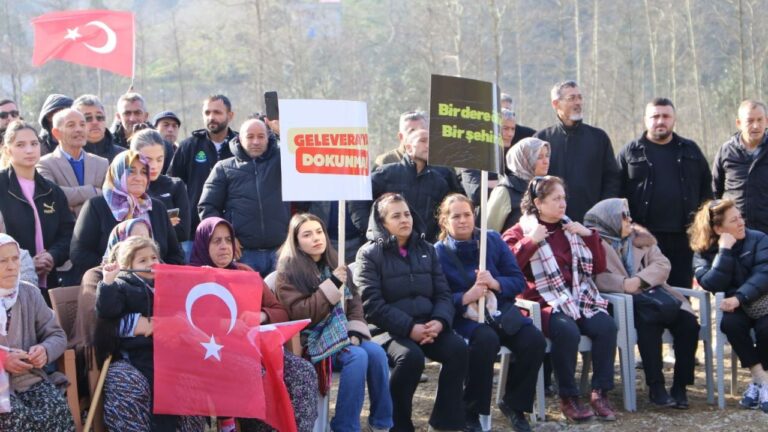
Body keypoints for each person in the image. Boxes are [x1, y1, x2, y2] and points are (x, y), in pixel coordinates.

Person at [502, 175, 617, 422]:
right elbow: (507, 266)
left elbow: (599, 265)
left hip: (576, 297)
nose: (562, 204)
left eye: (564, 198)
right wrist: (531, 241)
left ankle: (600, 392)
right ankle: (569, 397)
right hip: (541, 302)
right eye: (556, 199)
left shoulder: (570, 228)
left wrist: (588, 235)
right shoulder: (520, 230)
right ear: (538, 203)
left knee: (606, 325)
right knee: (567, 331)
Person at [190, 217, 319, 432]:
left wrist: (261, 316)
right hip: (216, 356)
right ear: (204, 244)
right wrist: (224, 322)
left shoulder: (244, 273)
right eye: (216, 241)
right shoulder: (192, 278)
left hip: (257, 349)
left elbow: (280, 312)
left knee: (303, 372)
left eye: (228, 240)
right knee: (258, 377)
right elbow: (191, 322)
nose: (224, 247)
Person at [355, 193, 468, 432]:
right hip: (386, 329)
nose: (404, 220)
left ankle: (444, 423)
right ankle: (398, 423)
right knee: (411, 357)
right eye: (396, 216)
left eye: (407, 214)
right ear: (382, 222)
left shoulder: (426, 249)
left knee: (458, 349)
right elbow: (371, 305)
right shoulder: (369, 254)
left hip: (427, 325)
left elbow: (443, 294)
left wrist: (439, 321)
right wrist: (409, 328)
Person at [434, 194, 545, 432]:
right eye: (456, 216)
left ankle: (515, 404)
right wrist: (465, 297)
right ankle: (471, 410)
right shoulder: (438, 253)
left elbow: (518, 281)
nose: (463, 220)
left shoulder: (492, 240)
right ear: (444, 221)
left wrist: (495, 283)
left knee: (534, 340)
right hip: (464, 317)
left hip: (500, 312)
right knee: (485, 340)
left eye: (467, 214)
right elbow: (436, 297)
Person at [276, 213, 392, 432]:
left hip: (344, 334)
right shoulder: (288, 273)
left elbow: (355, 302)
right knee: (357, 357)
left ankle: (381, 423)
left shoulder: (336, 264)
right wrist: (332, 284)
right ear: (296, 241)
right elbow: (302, 313)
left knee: (376, 353)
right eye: (307, 235)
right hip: (312, 340)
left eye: (319, 232)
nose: (316, 238)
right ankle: (344, 427)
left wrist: (355, 332)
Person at [585, 198, 699, 409]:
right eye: (623, 216)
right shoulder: (595, 243)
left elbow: (663, 264)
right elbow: (595, 277)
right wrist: (623, 284)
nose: (630, 220)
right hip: (622, 304)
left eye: (629, 215)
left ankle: (681, 386)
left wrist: (638, 281)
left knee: (689, 323)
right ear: (609, 219)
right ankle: (656, 387)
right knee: (648, 324)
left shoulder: (641, 238)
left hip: (654, 294)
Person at [94, 236, 205, 431]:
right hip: (137, 353)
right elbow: (107, 311)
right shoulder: (122, 286)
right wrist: (108, 282)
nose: (151, 263)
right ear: (128, 265)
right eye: (142, 260)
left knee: (186, 378)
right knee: (159, 385)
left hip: (166, 348)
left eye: (154, 258)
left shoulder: (165, 285)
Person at [617, 98, 711, 288]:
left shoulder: (690, 150)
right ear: (645, 119)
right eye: (655, 116)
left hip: (684, 237)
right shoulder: (630, 152)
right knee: (647, 292)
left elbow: (707, 191)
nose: (660, 121)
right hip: (642, 238)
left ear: (674, 119)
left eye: (666, 116)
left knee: (682, 290)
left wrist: (704, 227)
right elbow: (615, 194)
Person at [689, 199, 768, 412]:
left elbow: (764, 273)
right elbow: (710, 283)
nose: (741, 222)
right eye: (734, 220)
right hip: (735, 308)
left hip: (762, 302)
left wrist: (740, 297)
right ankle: (761, 379)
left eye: (740, 216)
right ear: (717, 228)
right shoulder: (703, 250)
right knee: (730, 325)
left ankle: (761, 383)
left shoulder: (759, 239)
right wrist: (724, 251)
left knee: (765, 328)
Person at [70, 149, 184, 281]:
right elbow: (78, 253)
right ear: (117, 173)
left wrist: (156, 271)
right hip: (109, 285)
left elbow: (175, 254)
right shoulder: (96, 206)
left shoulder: (156, 208)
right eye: (131, 171)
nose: (139, 177)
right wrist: (119, 269)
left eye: (143, 172)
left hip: (155, 287)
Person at [0, 234, 73, 431]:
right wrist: (4, 359)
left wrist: (44, 350)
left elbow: (57, 336)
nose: (12, 266)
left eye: (15, 259)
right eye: (2, 260)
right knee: (13, 418)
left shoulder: (29, 293)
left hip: (28, 379)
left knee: (56, 410)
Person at [198, 119, 290, 274]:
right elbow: (207, 207)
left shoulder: (282, 161)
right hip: (245, 255)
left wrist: (282, 132)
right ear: (240, 139)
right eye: (250, 136)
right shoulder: (224, 168)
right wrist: (227, 238)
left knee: (280, 298)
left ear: (269, 138)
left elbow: (301, 153)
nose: (255, 141)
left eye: (261, 136)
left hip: (281, 251)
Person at [0, 121, 74, 294]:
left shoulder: (51, 190)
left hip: (49, 283)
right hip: (9, 284)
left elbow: (68, 233)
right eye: (20, 145)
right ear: (7, 150)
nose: (29, 150)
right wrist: (24, 262)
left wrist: (52, 256)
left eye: (34, 144)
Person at [534, 81, 620, 222]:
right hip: (551, 223)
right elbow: (533, 181)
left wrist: (604, 210)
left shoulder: (599, 138)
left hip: (592, 222)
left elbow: (612, 178)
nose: (578, 102)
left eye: (580, 97)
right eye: (572, 98)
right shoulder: (542, 139)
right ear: (556, 104)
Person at [351, 129, 454, 243]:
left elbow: (444, 216)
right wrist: (374, 232)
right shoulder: (386, 174)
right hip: (387, 250)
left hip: (422, 251)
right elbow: (357, 199)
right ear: (409, 148)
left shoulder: (439, 182)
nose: (429, 145)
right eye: (423, 141)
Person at [169, 95, 238, 236]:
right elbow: (171, 184)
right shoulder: (189, 146)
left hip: (233, 232)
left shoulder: (240, 146)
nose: (211, 117)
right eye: (207, 113)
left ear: (230, 116)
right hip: (194, 231)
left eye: (217, 112)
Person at [37, 108, 109, 216]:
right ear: (56, 133)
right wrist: (93, 191)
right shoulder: (44, 164)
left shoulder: (102, 163)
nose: (79, 129)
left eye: (82, 125)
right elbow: (51, 196)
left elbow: (111, 197)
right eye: (71, 125)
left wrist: (70, 200)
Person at [712, 100, 768, 235]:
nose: (756, 125)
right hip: (735, 233)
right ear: (739, 123)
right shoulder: (726, 151)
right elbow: (715, 192)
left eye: (760, 120)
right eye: (749, 121)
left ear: (767, 121)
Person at [130, 128, 191, 246]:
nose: (154, 166)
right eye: (148, 159)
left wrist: (146, 226)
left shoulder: (175, 185)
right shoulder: (127, 187)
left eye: (159, 159)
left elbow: (183, 233)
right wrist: (165, 222)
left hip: (170, 258)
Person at [487, 137, 550, 233]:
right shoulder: (505, 191)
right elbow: (489, 233)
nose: (546, 161)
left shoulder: (545, 188)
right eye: (539, 157)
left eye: (547, 155)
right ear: (524, 160)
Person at [111, 92, 174, 174]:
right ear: (118, 117)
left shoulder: (164, 146)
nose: (132, 118)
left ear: (146, 116)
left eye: (137, 113)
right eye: (127, 113)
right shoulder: (110, 145)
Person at [72, 94, 126, 162]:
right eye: (88, 118)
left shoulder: (123, 156)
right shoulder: (70, 157)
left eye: (99, 117)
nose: (95, 122)